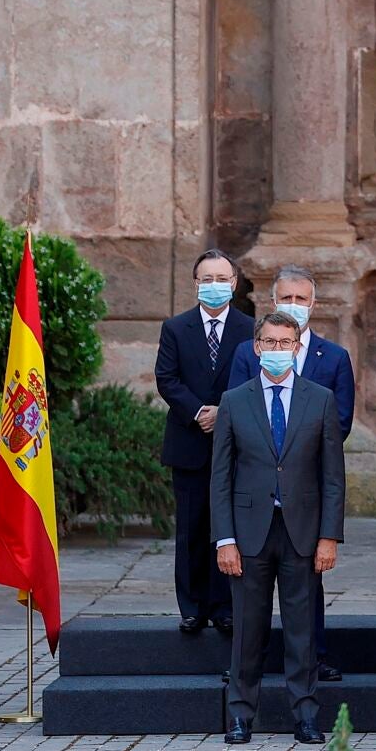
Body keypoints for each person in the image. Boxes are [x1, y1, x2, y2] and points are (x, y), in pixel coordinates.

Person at [211, 312, 344, 745]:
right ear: (257, 348)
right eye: (269, 342)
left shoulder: (320, 399)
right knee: (248, 629)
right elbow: (221, 477)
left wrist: (328, 536)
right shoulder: (235, 400)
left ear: (296, 347)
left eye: (286, 342)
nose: (277, 350)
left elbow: (332, 476)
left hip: (302, 531)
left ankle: (305, 714)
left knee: (301, 628)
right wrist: (225, 539)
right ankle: (239, 715)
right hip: (248, 531)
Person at [226, 264, 355, 681]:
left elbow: (341, 421)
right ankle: (249, 664)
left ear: (313, 305)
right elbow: (236, 413)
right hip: (257, 491)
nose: (294, 305)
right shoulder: (248, 354)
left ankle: (313, 658)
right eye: (287, 298)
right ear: (272, 300)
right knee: (253, 594)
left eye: (302, 299)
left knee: (305, 590)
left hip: (306, 485)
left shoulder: (333, 357)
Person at [157, 249, 253, 636]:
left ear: (234, 283)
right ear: (196, 284)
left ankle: (224, 605)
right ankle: (192, 606)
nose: (214, 286)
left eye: (221, 279)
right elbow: (167, 378)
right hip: (190, 441)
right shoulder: (176, 328)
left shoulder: (250, 329)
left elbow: (252, 377)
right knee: (192, 528)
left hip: (235, 443)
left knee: (228, 527)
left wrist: (223, 412)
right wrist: (199, 411)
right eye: (206, 279)